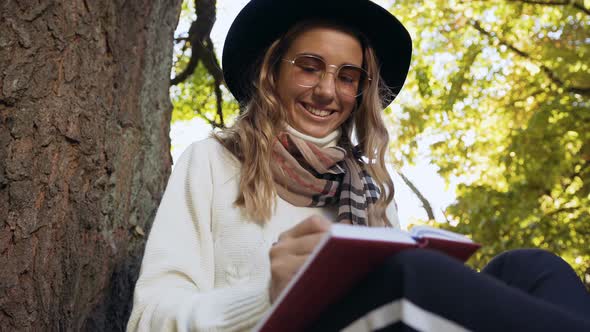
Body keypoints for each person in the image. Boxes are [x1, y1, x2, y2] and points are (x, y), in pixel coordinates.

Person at [126, 0, 590, 331]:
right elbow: (150, 319)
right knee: (410, 277)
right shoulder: (211, 161)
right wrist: (268, 293)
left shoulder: (366, 189)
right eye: (310, 67)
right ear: (272, 72)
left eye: (347, 77)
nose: (328, 91)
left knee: (533, 269)